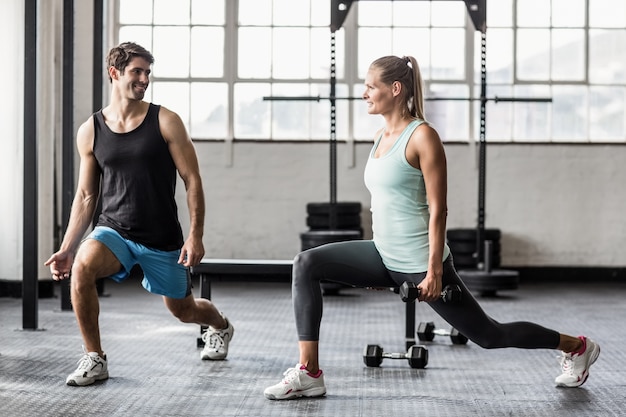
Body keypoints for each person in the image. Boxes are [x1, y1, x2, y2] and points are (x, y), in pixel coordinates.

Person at [263, 55, 600, 400]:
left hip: (420, 264)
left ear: (395, 89)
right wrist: (372, 272)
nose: (363, 93)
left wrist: (434, 270)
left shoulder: (423, 137)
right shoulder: (380, 136)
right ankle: (309, 373)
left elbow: (439, 210)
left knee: (489, 335)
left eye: (369, 87)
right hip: (382, 256)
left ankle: (577, 346)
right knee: (306, 263)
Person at [45, 42, 234, 387]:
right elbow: (87, 195)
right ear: (114, 73)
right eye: (137, 71)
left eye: (148, 72)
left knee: (184, 311)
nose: (144, 79)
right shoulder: (91, 130)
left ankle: (220, 325)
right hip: (113, 230)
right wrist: (69, 246)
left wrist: (195, 235)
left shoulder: (166, 121)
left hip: (161, 238)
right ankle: (95, 358)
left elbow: (192, 180)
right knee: (83, 268)